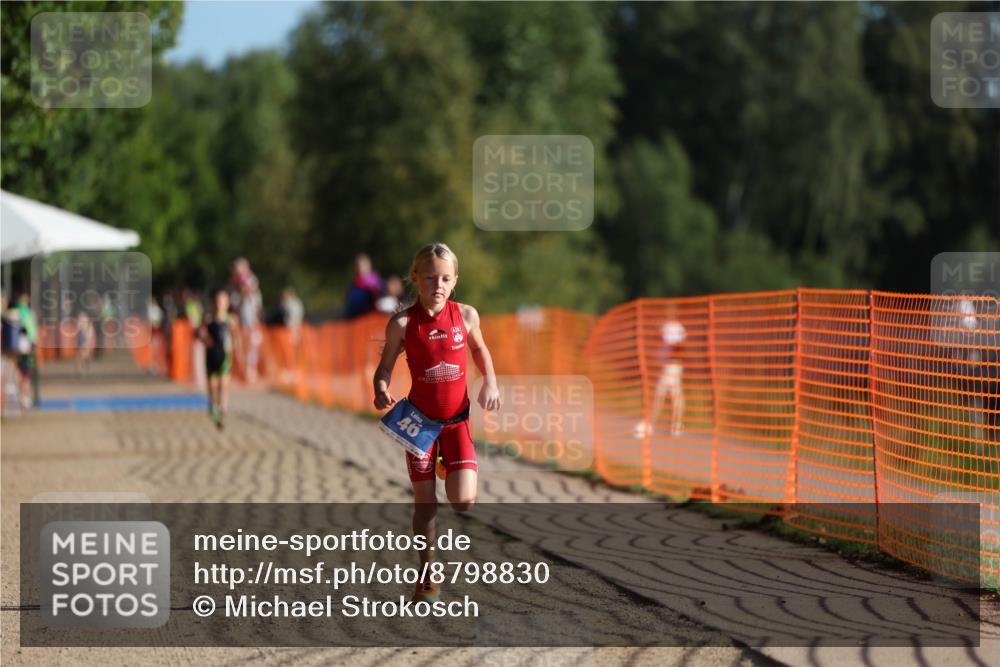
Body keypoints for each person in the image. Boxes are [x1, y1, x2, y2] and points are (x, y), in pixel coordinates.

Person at [372, 243, 501, 603]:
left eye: (445, 278)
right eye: (430, 278)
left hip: (457, 421)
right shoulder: (402, 323)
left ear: (455, 280)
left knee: (463, 502)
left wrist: (490, 380)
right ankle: (428, 573)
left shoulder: (467, 316)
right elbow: (384, 369)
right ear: (415, 279)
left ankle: (448, 460)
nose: (438, 285)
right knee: (425, 504)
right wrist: (381, 388)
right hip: (420, 423)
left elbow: (480, 350)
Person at [198, 290, 233, 430]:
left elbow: (236, 338)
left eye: (222, 301)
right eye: (217, 301)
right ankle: (213, 406)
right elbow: (199, 333)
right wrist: (205, 339)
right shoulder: (208, 318)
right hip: (211, 355)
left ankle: (223, 407)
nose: (219, 304)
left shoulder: (231, 320)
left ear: (227, 303)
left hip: (225, 355)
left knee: (223, 385)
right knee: (212, 386)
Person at [344, 253, 384, 319]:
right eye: (362, 266)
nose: (365, 268)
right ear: (357, 269)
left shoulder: (378, 282)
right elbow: (352, 309)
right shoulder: (355, 288)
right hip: (362, 319)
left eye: (366, 265)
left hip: (377, 317)